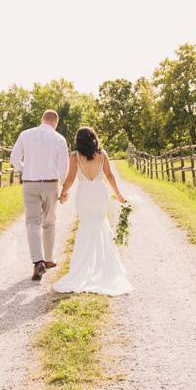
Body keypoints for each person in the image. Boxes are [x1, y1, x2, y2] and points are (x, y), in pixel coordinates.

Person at [54, 127, 132, 296]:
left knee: (86, 228)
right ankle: (104, 268)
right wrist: (118, 194)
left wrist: (63, 192)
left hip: (84, 195)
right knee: (100, 226)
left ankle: (83, 269)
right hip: (99, 193)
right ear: (94, 139)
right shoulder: (102, 154)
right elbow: (110, 176)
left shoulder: (75, 156)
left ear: (78, 141)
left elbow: (70, 178)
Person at [10, 110, 70, 280]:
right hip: (51, 185)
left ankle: (38, 262)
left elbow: (14, 158)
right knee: (49, 222)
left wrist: (25, 169)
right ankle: (49, 259)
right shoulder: (59, 139)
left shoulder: (25, 134)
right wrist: (65, 189)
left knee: (32, 223)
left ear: (42, 120)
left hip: (30, 185)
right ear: (55, 122)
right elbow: (63, 168)